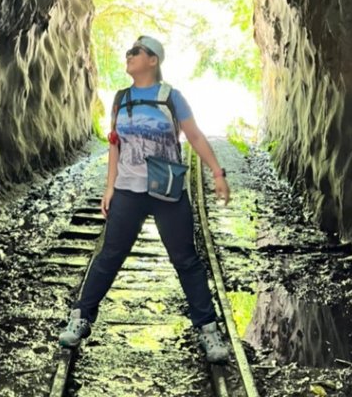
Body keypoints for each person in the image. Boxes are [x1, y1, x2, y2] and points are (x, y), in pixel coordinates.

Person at [58, 34, 231, 363]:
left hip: (166, 190)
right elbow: (114, 143)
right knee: (110, 255)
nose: (129, 55)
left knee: (186, 260)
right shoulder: (121, 98)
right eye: (129, 51)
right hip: (128, 190)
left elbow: (194, 135)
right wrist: (110, 187)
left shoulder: (171, 97)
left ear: (153, 60)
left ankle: (208, 330)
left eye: (136, 52)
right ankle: (80, 318)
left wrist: (218, 174)